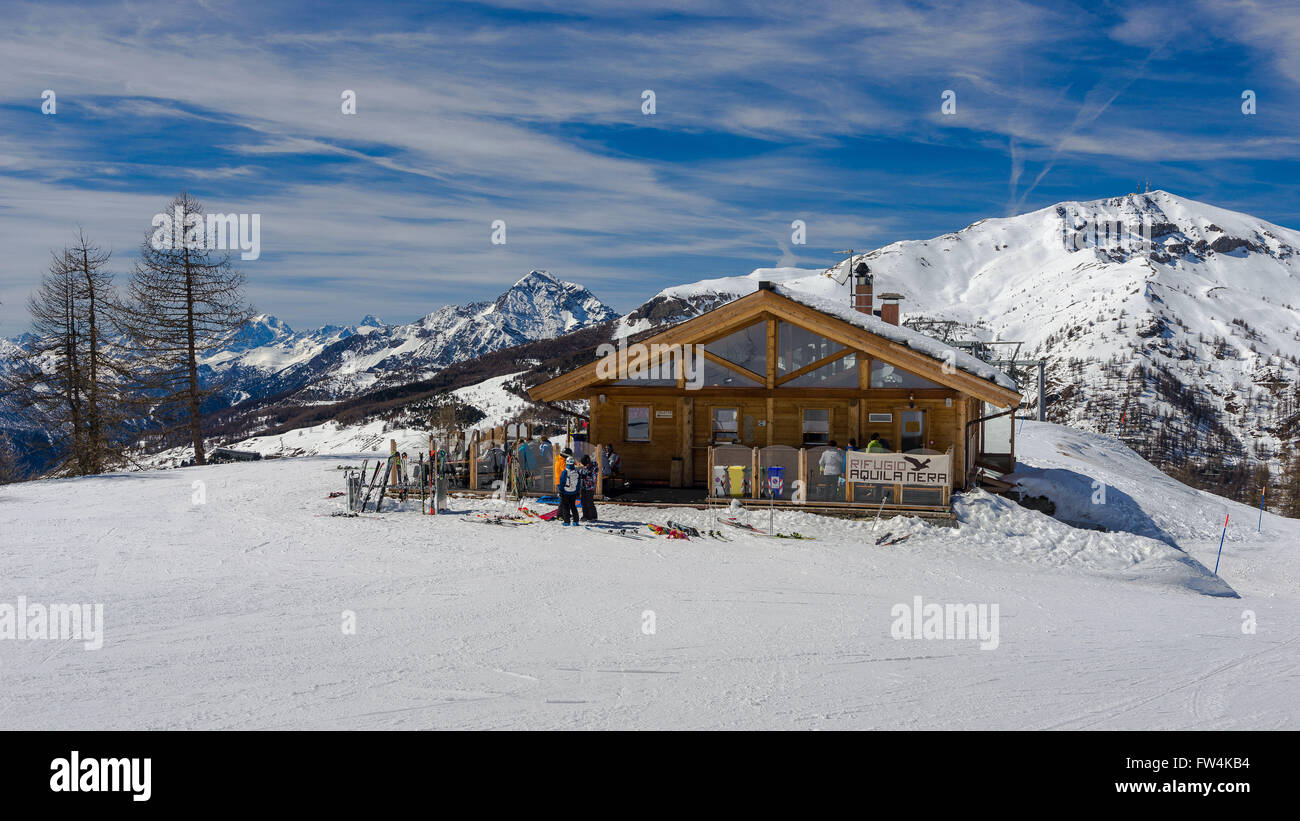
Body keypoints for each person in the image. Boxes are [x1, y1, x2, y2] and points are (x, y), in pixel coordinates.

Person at [557, 457, 581, 526]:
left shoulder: (565, 472)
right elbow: (578, 483)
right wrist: (577, 491)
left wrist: (561, 491)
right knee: (573, 506)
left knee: (566, 507)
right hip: (573, 492)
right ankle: (576, 521)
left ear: (567, 463)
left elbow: (562, 482)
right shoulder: (577, 472)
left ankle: (567, 522)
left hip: (565, 492)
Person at [579, 455, 598, 521]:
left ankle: (593, 516)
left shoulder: (593, 468)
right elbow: (580, 473)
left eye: (586, 464)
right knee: (583, 502)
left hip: (590, 488)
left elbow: (594, 479)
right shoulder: (584, 468)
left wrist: (586, 477)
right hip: (583, 487)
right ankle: (585, 516)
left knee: (589, 502)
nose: (585, 465)